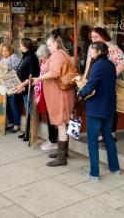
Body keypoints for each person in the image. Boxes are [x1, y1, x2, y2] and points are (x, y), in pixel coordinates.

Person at [78, 41, 121, 182]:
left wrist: (81, 93)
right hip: (109, 108)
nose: (90, 53)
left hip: (96, 108)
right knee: (108, 137)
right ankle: (115, 168)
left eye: (91, 50)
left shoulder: (97, 65)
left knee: (92, 140)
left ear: (97, 51)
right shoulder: (110, 65)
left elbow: (91, 84)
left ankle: (94, 173)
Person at [32, 35, 75, 167]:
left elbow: (55, 72)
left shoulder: (57, 55)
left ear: (56, 44)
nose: (48, 48)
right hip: (62, 94)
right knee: (62, 124)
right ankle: (63, 152)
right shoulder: (63, 54)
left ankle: (62, 158)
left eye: (49, 45)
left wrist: (39, 79)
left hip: (59, 95)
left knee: (61, 124)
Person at [85, 27, 124, 141]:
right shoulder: (91, 47)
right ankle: (101, 132)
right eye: (92, 37)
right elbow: (89, 63)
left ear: (103, 36)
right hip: (95, 80)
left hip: (108, 82)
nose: (94, 39)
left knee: (110, 105)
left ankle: (111, 132)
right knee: (98, 104)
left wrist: (111, 75)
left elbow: (122, 62)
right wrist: (87, 78)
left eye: (96, 37)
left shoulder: (111, 47)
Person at [14, 38, 40, 141]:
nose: (19, 47)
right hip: (24, 89)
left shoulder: (32, 57)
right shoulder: (24, 56)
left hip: (30, 88)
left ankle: (31, 134)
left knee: (31, 110)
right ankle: (27, 132)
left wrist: (22, 85)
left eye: (20, 45)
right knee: (27, 110)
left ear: (25, 46)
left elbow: (32, 75)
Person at [35, 44, 58, 151]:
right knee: (48, 116)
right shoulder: (43, 62)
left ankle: (53, 140)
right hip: (44, 91)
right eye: (41, 57)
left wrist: (39, 80)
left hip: (50, 92)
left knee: (52, 117)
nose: (42, 59)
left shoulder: (51, 62)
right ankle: (51, 139)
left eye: (44, 57)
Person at [0, 44, 21, 133]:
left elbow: (19, 67)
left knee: (13, 104)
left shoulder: (14, 57)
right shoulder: (2, 59)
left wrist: (6, 67)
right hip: (4, 84)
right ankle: (11, 123)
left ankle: (16, 125)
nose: (4, 53)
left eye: (6, 51)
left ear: (10, 51)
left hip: (12, 84)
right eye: (3, 51)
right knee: (7, 104)